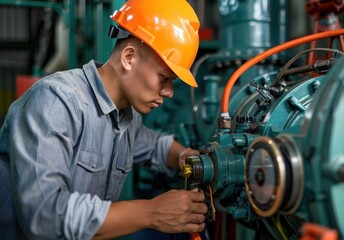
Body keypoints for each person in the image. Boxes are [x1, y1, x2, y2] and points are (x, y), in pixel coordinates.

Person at [0, 0, 208, 239]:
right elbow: (45, 218)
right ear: (129, 58)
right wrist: (152, 212)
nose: (169, 91)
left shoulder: (126, 118)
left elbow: (155, 146)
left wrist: (184, 156)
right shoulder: (57, 101)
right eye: (164, 77)